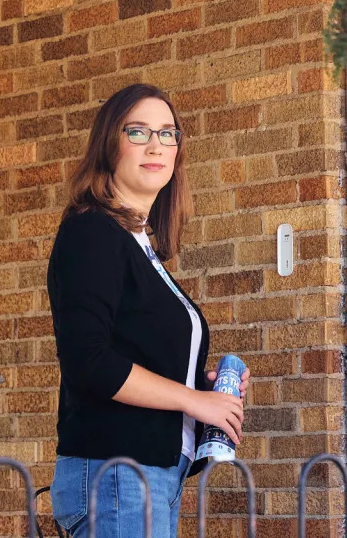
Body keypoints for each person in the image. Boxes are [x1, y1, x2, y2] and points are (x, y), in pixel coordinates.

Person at [47, 84, 250, 538]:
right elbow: (89, 362)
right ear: (109, 144)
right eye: (137, 131)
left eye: (168, 133)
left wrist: (203, 387)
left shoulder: (139, 244)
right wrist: (195, 400)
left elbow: (134, 357)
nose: (156, 144)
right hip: (118, 474)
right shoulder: (92, 233)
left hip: (151, 474)